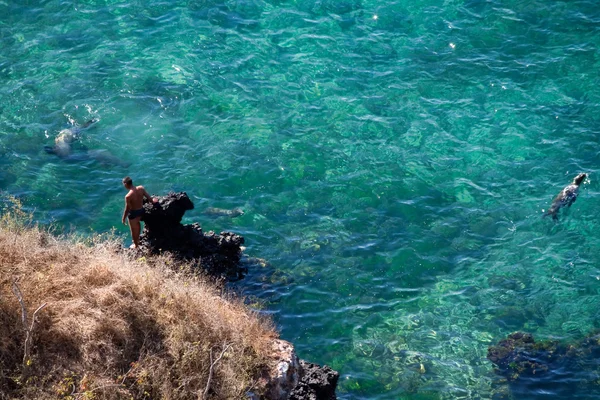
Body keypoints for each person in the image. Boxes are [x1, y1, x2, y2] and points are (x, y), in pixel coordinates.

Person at [121, 176, 154, 249]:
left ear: (126, 184)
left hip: (133, 214)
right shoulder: (141, 188)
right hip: (141, 211)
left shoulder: (128, 196)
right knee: (138, 225)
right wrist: (153, 201)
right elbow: (149, 198)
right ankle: (138, 240)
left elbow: (127, 208)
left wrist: (123, 218)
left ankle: (136, 245)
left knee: (133, 230)